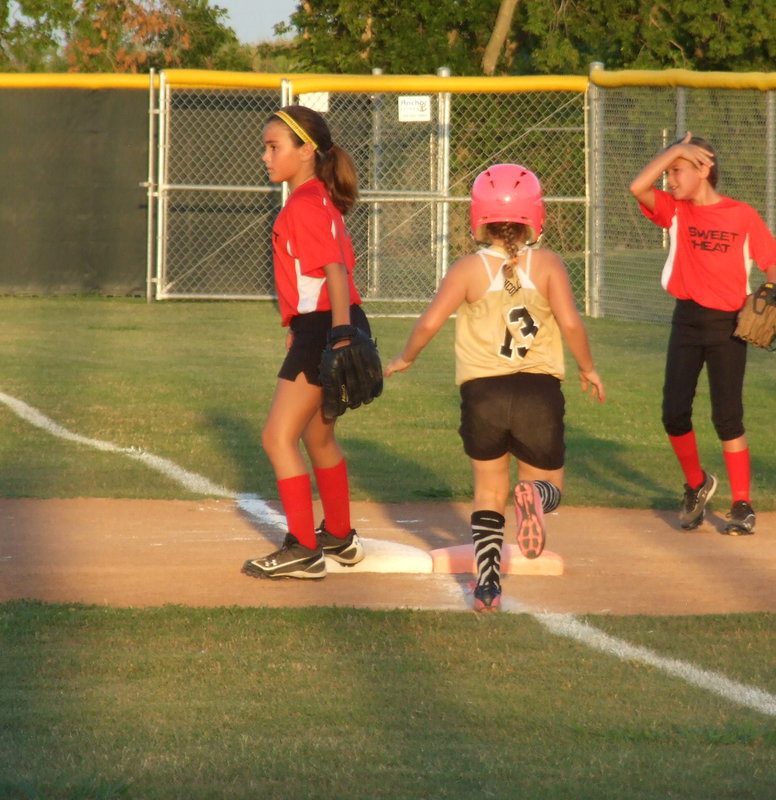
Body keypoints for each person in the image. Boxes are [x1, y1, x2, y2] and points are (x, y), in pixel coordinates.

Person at [383, 164, 605, 612]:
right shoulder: (547, 264)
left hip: (482, 393)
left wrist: (406, 358)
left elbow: (428, 322)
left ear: (478, 217)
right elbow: (569, 322)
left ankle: (487, 585)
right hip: (537, 390)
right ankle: (536, 498)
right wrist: (587, 368)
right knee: (549, 485)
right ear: (534, 215)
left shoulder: (466, 268)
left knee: (488, 491)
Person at [629, 133, 776, 536]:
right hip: (686, 320)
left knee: (727, 417)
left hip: (729, 325)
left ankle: (742, 504)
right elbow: (637, 187)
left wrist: (768, 293)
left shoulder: (741, 214)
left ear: (704, 170)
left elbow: (770, 262)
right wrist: (674, 151)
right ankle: (697, 483)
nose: (670, 179)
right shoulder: (675, 211)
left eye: (677, 171)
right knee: (673, 412)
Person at [241, 105, 371, 580]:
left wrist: (336, 335)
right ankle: (338, 536)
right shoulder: (319, 199)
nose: (266, 156)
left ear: (306, 151)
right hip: (324, 324)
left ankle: (303, 549)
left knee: (277, 437)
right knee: (318, 435)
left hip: (326, 326)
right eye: (266, 147)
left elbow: (335, 272)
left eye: (275, 147)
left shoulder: (303, 205)